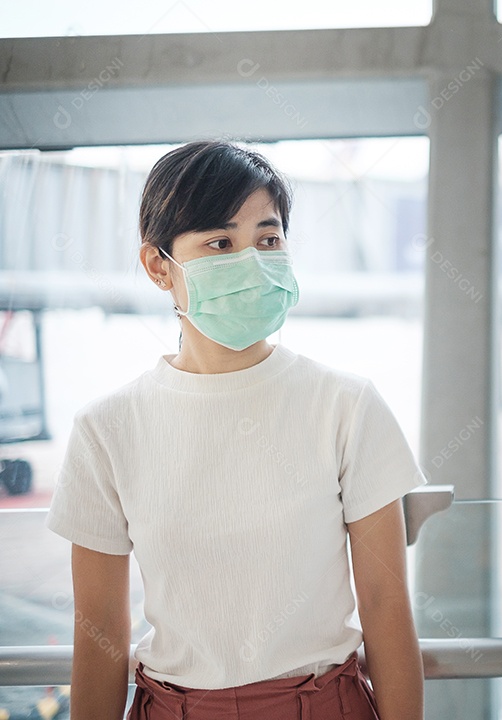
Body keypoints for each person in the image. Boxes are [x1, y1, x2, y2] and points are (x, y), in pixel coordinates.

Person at [44, 140, 427, 720]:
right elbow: (98, 637)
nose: (251, 260)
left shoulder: (346, 406)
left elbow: (386, 606)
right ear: (157, 266)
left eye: (267, 240)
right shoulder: (108, 429)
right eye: (220, 243)